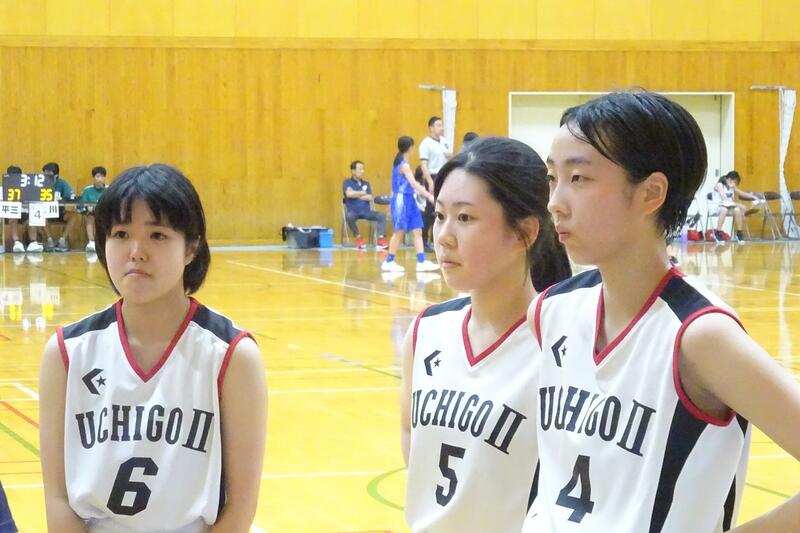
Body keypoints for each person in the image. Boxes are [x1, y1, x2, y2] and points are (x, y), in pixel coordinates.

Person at [524, 91, 800, 532]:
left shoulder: (701, 336)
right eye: (552, 178)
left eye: (578, 178)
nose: (555, 200)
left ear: (651, 193)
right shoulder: (550, 310)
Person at [39, 164, 267, 532]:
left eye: (157, 235)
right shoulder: (66, 353)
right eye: (121, 234)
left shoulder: (232, 356)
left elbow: (241, 506)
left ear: (191, 247)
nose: (136, 252)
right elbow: (58, 499)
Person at [401, 137, 572, 532]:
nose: (443, 236)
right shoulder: (426, 330)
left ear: (525, 232)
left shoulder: (560, 344)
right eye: (439, 215)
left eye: (465, 218)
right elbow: (411, 432)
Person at [382, 136, 439, 273]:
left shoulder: (402, 163)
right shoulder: (403, 165)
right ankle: (388, 261)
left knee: (417, 230)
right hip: (402, 200)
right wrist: (429, 196)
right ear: (410, 147)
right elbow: (414, 184)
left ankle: (421, 261)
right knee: (399, 232)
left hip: (409, 199)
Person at [27, 162, 80, 253]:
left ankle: (62, 240)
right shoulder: (39, 183)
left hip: (60, 212)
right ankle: (49, 241)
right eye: (45, 174)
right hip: (44, 213)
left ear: (56, 175)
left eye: (49, 175)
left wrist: (61, 198)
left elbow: (71, 197)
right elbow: (32, 197)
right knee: (39, 216)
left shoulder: (62, 183)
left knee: (73, 216)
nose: (46, 177)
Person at [419, 117, 452, 252]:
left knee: (442, 209)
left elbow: (450, 158)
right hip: (432, 176)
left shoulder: (444, 141)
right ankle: (423, 241)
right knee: (429, 210)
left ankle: (436, 240)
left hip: (444, 175)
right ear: (431, 128)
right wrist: (430, 182)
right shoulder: (425, 144)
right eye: (438, 125)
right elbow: (424, 165)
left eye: (441, 125)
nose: (441, 128)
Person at [342, 160, 388, 250]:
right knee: (349, 216)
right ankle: (358, 238)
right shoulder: (347, 182)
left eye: (363, 169)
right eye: (360, 169)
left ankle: (381, 240)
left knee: (381, 215)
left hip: (366, 212)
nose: (362, 171)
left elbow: (370, 197)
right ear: (353, 171)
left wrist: (355, 194)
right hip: (353, 211)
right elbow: (349, 194)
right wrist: (362, 193)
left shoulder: (366, 183)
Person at [712, 170, 763, 243]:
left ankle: (739, 233)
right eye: (735, 182)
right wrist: (739, 205)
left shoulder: (731, 186)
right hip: (718, 207)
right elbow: (724, 199)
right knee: (724, 209)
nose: (735, 184)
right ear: (729, 179)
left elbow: (742, 193)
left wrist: (753, 197)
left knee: (737, 210)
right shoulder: (719, 185)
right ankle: (717, 232)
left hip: (728, 206)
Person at [79, 166, 108, 253]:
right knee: (90, 218)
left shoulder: (109, 189)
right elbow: (82, 204)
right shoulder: (87, 190)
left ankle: (105, 241)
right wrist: (87, 207)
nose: (99, 179)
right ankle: (91, 242)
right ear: (93, 177)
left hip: (105, 214)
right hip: (92, 213)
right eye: (97, 176)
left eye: (102, 176)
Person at [4, 165, 32, 254]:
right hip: (10, 213)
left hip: (24, 213)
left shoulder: (27, 190)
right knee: (13, 217)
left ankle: (33, 243)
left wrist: (24, 205)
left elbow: (31, 205)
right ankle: (17, 242)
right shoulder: (3, 189)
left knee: (32, 219)